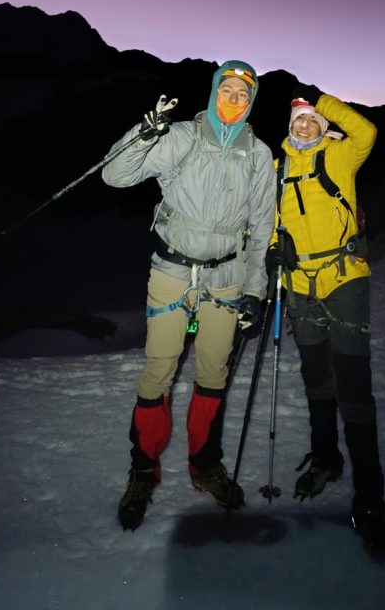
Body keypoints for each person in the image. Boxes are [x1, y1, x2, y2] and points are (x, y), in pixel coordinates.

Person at [102, 61, 276, 530]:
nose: (234, 99)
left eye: (244, 94)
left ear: (251, 102)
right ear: (215, 91)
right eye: (228, 89)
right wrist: (142, 136)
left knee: (214, 372)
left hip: (227, 277)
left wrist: (255, 291)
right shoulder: (181, 136)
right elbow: (115, 176)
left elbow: (262, 228)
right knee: (158, 370)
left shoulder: (259, 155)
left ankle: (205, 465)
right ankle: (143, 472)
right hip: (172, 272)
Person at [268, 84, 385, 555]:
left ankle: (370, 499)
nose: (304, 126)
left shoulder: (341, 156)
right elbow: (270, 223)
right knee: (316, 378)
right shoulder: (277, 170)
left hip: (344, 280)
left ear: (322, 126)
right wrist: (272, 251)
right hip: (300, 285)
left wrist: (320, 100)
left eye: (311, 121)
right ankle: (325, 459)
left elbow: (367, 132)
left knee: (354, 387)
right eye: (297, 120)